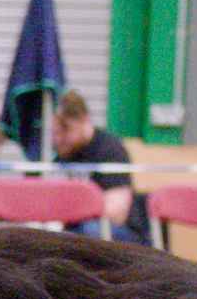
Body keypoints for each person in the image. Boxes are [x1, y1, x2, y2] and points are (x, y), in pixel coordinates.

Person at [51, 89, 150, 246]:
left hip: (122, 232)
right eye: (55, 132)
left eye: (66, 129)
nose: (58, 138)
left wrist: (72, 212)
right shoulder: (64, 151)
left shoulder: (110, 149)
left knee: (87, 231)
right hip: (78, 226)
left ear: (84, 120)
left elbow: (117, 213)